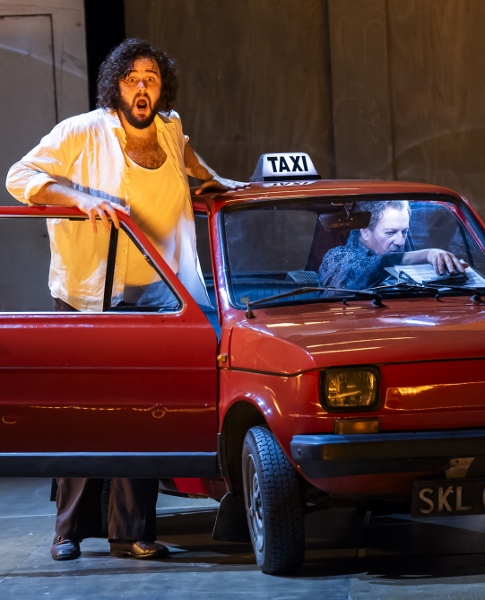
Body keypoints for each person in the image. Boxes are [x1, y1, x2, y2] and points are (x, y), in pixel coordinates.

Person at [5, 38, 246, 561]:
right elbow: (19, 177)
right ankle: (68, 533)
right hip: (91, 292)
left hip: (158, 292)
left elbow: (189, 161)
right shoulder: (82, 130)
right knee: (83, 415)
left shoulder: (169, 125)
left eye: (152, 78)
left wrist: (219, 183)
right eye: (133, 78)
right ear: (116, 84)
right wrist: (79, 198)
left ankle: (132, 532)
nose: (143, 87)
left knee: (145, 413)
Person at [318, 200, 466, 289]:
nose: (401, 241)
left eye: (404, 232)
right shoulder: (336, 258)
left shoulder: (415, 265)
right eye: (390, 233)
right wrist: (427, 254)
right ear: (365, 231)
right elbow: (373, 266)